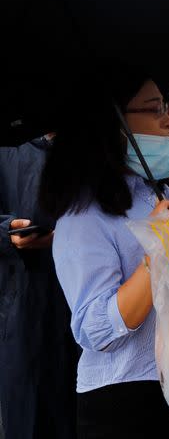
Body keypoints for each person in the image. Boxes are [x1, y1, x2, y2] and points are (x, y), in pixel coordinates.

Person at [39, 75, 169, 438]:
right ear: (112, 123)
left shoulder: (145, 190)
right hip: (124, 398)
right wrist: (155, 250)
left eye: (165, 106)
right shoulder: (82, 217)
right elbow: (96, 329)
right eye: (155, 109)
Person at [0, 134, 80, 439]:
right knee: (29, 413)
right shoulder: (9, 144)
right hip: (21, 299)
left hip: (78, 293)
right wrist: (7, 231)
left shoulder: (86, 142)